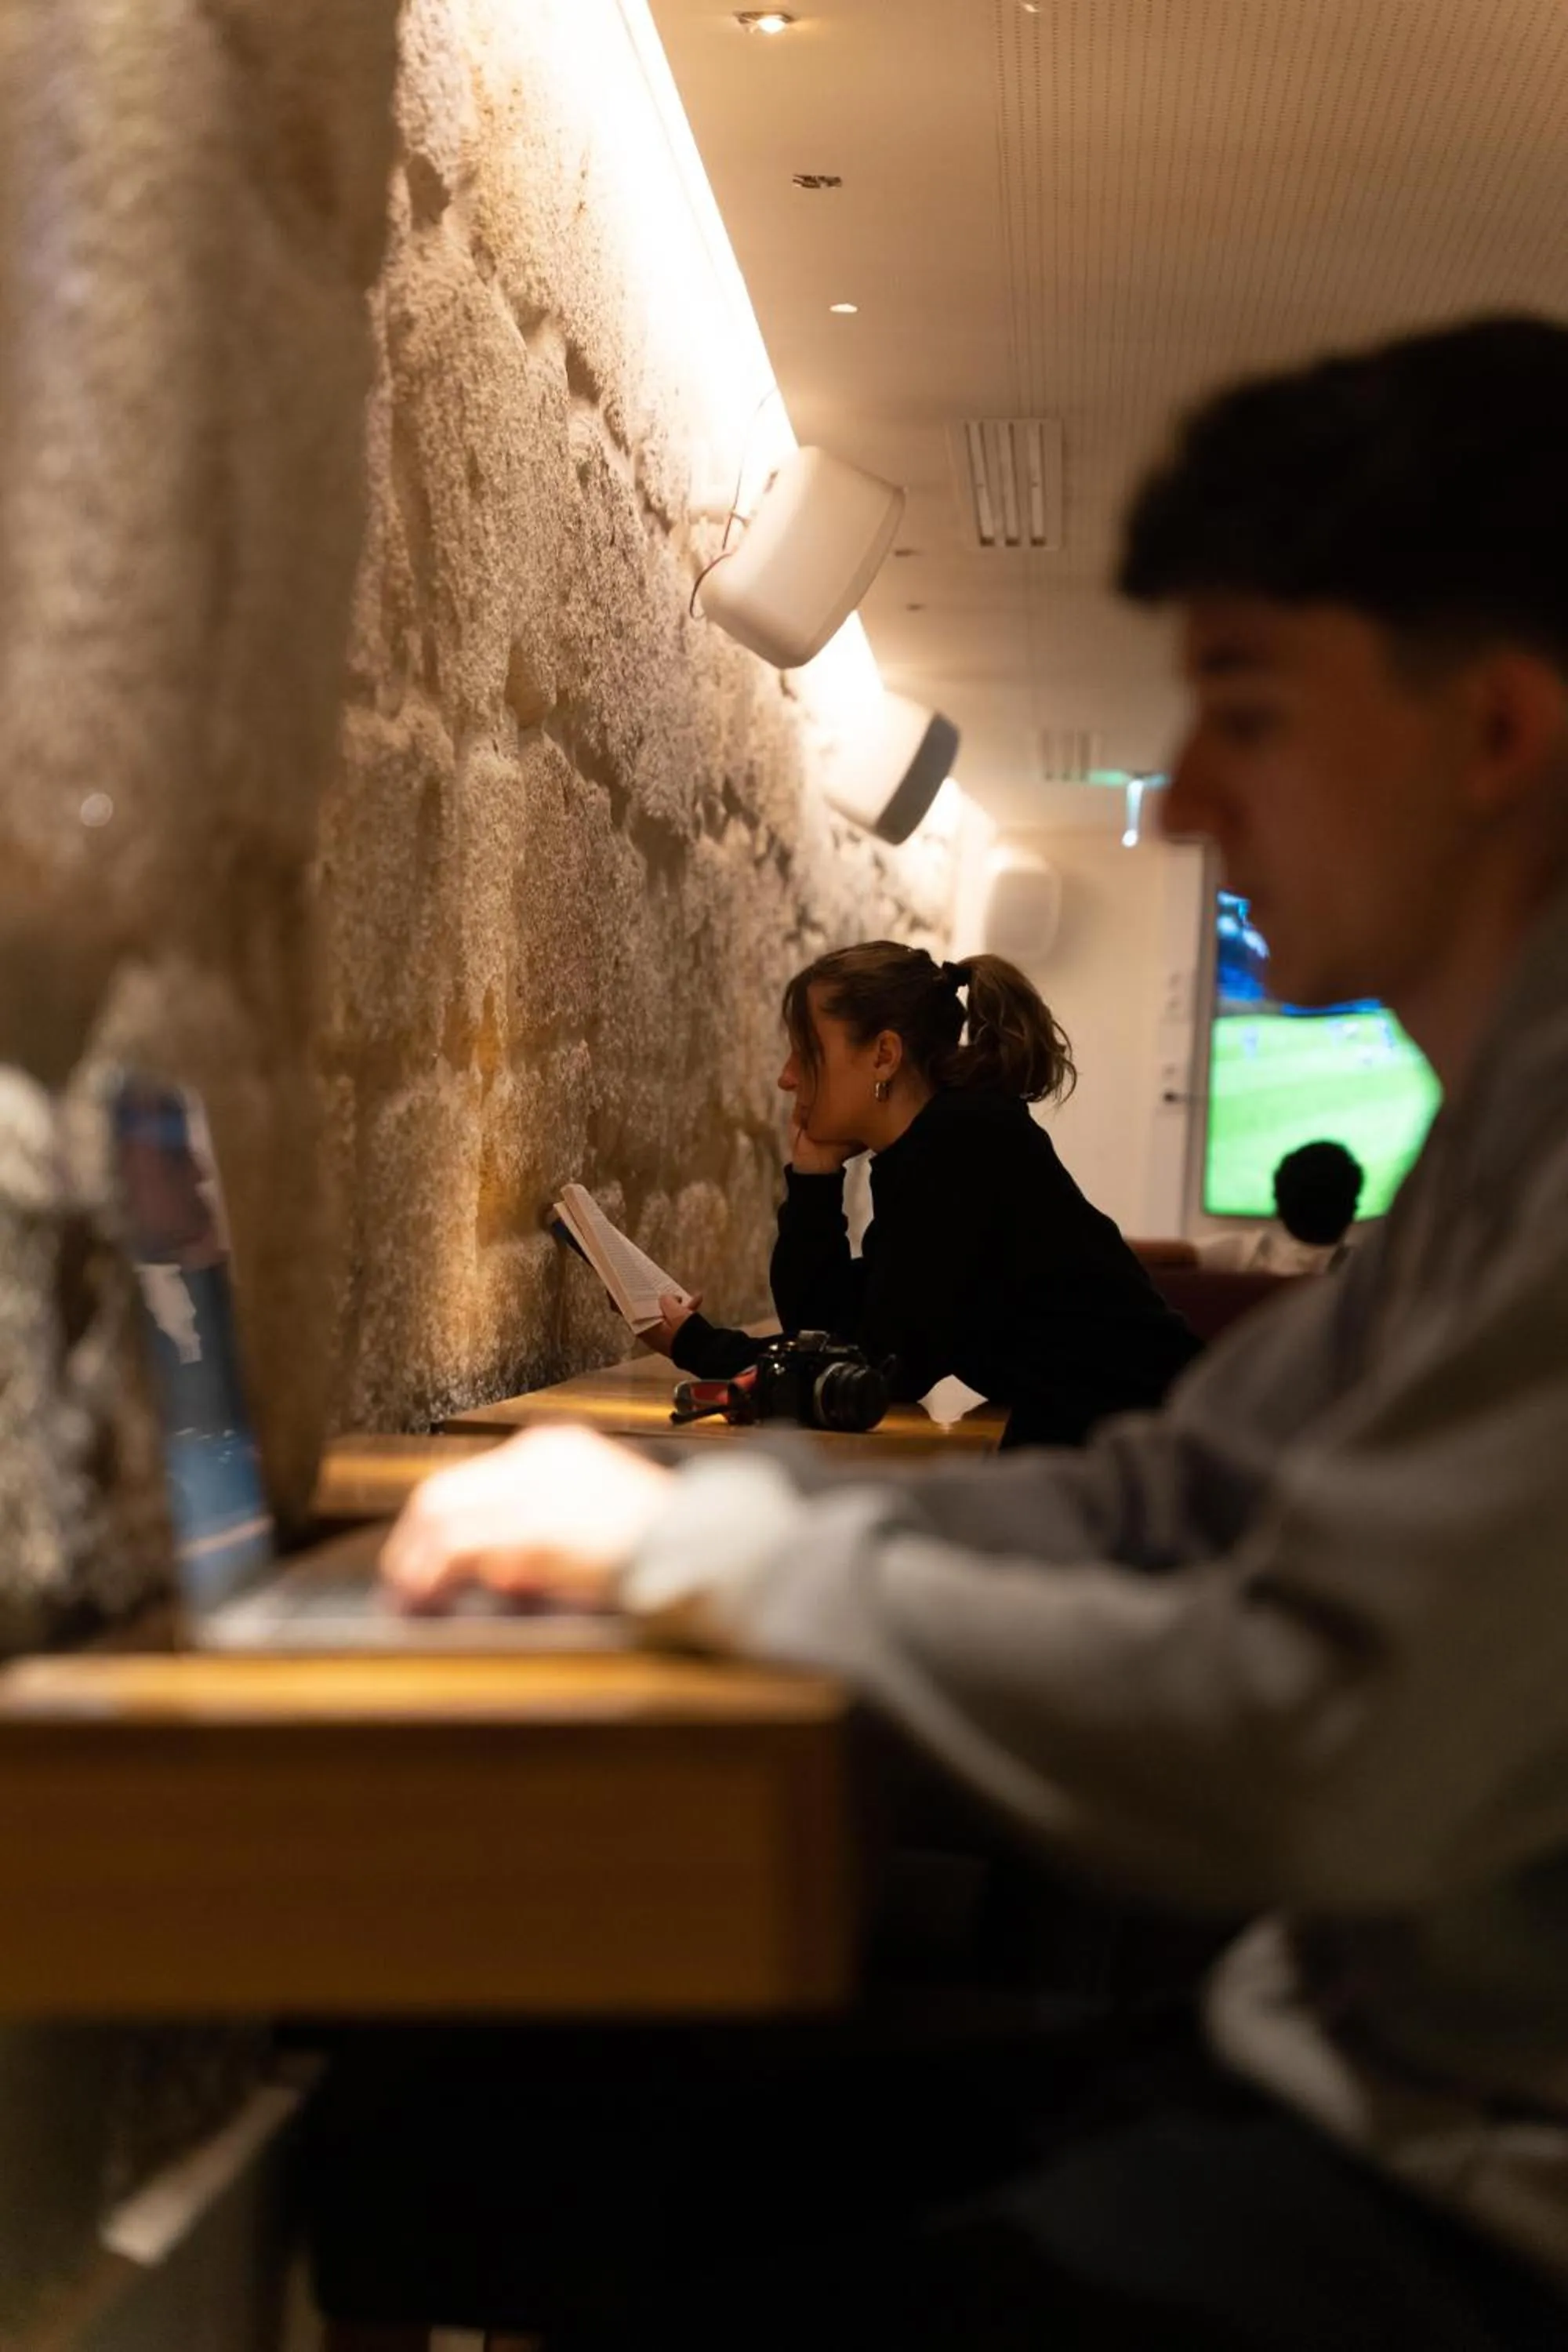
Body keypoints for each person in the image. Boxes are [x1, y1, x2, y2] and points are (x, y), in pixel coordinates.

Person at [376, 314, 1568, 2347]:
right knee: (455, 2155)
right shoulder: (1500, 1136)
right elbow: (1166, 1505)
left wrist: (703, 1549)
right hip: (1324, 2071)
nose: (1185, 802)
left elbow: (1300, 1730)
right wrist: (692, 1548)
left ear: (1497, 735)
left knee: (519, 2180)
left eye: (1248, 714)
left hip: (1457, 2204)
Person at [649, 942, 1200, 1447]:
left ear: (885, 1055)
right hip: (1112, 1439)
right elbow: (829, 1326)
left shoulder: (963, 1146)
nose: (787, 1078)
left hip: (1167, 1448)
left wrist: (695, 1345)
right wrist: (815, 1176)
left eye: (805, 1050)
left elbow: (878, 1369)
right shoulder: (933, 1148)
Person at [1198, 1136, 1366, 1272]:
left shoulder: (1247, 1253)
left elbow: (1178, 1255)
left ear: (1279, 1208)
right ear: (1352, 1209)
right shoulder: (1370, 1273)